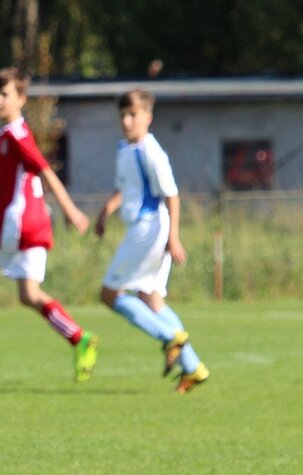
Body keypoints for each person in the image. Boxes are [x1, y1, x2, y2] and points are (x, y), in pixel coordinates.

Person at [0, 68, 98, 383]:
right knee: (29, 294)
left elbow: (44, 170)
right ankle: (78, 337)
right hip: (29, 224)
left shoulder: (16, 134)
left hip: (16, 222)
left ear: (21, 100)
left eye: (6, 95)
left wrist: (71, 210)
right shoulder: (3, 134)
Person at [94, 89, 209, 392]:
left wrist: (174, 238)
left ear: (148, 117)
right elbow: (125, 188)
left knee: (109, 293)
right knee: (151, 300)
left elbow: (171, 195)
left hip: (150, 229)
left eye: (133, 115)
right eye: (123, 115)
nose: (127, 121)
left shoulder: (151, 152)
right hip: (143, 229)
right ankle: (193, 367)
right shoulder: (125, 149)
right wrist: (106, 210)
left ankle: (169, 338)